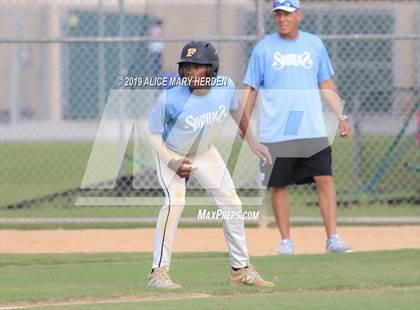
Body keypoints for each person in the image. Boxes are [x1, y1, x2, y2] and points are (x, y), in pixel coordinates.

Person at [146, 40, 274, 288]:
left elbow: (236, 110)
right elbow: (152, 133)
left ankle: (240, 269)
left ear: (212, 68)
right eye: (185, 66)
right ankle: (157, 273)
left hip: (204, 152)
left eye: (196, 66)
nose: (189, 71)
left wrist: (253, 142)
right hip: (171, 152)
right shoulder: (170, 98)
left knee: (232, 202)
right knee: (175, 202)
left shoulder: (225, 87)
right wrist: (172, 161)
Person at [242, 0, 352, 255]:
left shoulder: (314, 44)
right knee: (279, 185)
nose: (282, 19)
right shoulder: (263, 49)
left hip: (311, 128)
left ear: (299, 16)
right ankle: (286, 242)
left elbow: (326, 83)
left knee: (325, 178)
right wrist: (244, 122)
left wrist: (341, 116)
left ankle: (332, 238)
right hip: (276, 131)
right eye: (278, 14)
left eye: (287, 14)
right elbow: (251, 87)